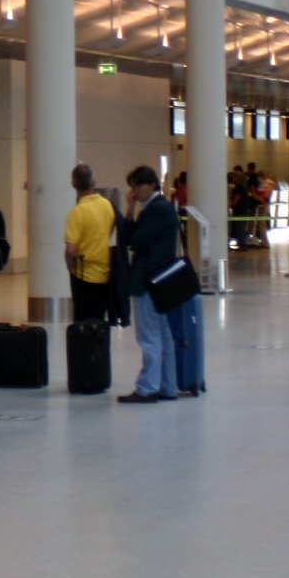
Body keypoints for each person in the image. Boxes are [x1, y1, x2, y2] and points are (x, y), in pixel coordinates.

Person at [118, 165, 179, 403]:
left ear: (150, 184)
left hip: (148, 279)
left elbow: (133, 240)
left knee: (149, 336)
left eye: (136, 186)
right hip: (161, 280)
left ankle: (148, 387)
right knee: (162, 335)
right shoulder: (157, 208)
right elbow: (133, 236)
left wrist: (131, 212)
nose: (133, 191)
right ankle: (167, 385)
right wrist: (132, 208)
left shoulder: (158, 210)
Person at [63, 163, 116, 323]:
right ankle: (100, 348)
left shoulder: (76, 212)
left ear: (73, 185)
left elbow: (70, 250)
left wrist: (71, 268)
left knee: (83, 322)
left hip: (83, 275)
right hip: (105, 274)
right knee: (99, 320)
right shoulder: (107, 205)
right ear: (94, 182)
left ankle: (84, 348)